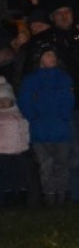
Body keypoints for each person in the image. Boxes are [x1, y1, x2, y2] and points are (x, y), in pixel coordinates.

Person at [18, 42, 75, 205]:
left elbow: (69, 99)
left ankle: (61, 193)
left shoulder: (64, 78)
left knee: (61, 163)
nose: (52, 58)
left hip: (60, 128)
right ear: (40, 59)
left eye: (54, 55)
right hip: (40, 129)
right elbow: (25, 101)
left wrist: (63, 116)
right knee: (45, 164)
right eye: (48, 55)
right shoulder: (31, 80)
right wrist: (34, 117)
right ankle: (49, 194)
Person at [0, 75, 31, 207]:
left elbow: (25, 131)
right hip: (4, 152)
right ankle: (7, 197)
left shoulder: (20, 114)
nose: (2, 103)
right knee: (6, 175)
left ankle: (21, 196)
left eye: (5, 100)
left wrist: (26, 143)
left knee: (20, 174)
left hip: (19, 150)